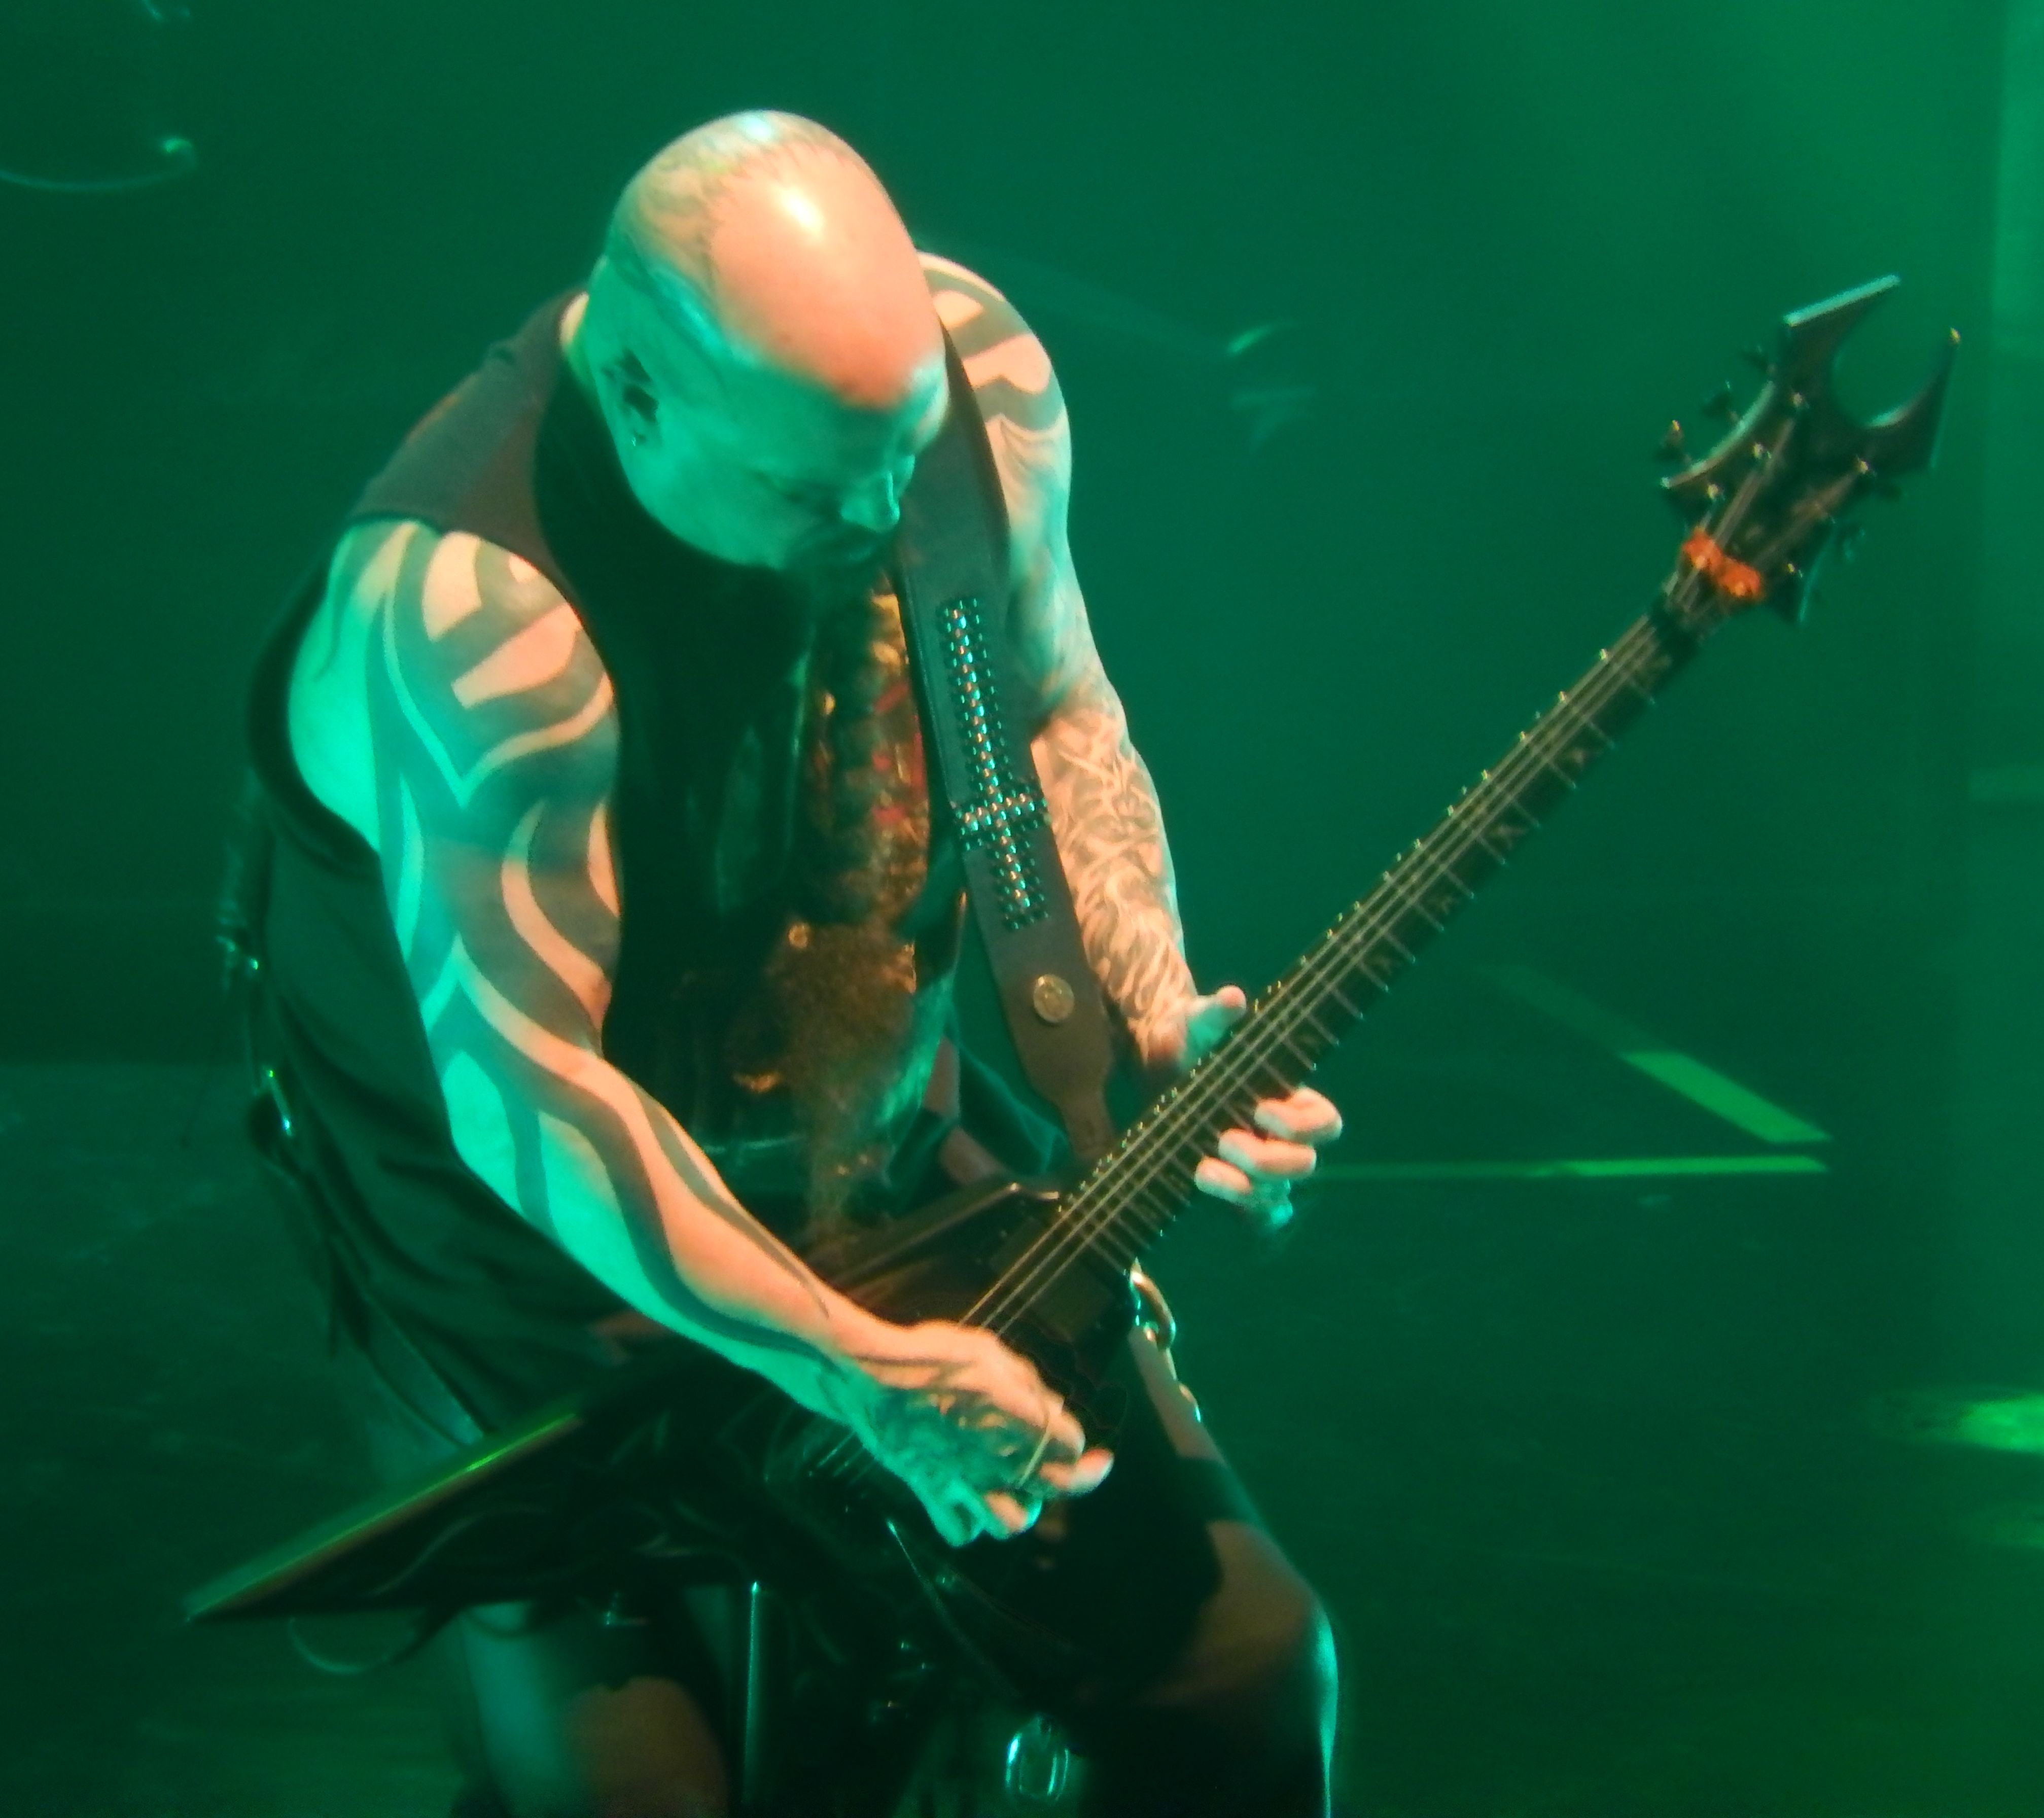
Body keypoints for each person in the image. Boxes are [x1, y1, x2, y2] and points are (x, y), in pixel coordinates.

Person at [238, 109, 1341, 1816]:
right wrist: (852, 1370)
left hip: (870, 1155)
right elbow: (532, 1095)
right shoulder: (474, 624)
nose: (885, 511)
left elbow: (1042, 708)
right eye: (821, 490)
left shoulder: (967, 392)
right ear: (640, 398)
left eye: (897, 460)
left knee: (1244, 1678)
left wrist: (1144, 1009)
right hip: (544, 1276)